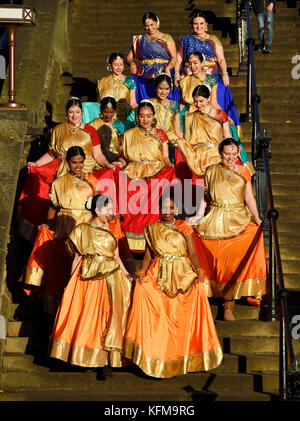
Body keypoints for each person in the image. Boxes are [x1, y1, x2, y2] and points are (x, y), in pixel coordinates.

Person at [123, 192, 223, 378]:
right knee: (152, 302)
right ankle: (153, 354)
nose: (167, 211)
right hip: (158, 271)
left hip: (182, 274)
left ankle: (183, 354)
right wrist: (142, 271)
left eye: (170, 208)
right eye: (163, 208)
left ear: (176, 209)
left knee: (181, 313)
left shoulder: (184, 227)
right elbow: (148, 255)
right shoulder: (151, 228)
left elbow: (192, 252)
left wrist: (199, 271)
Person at [49, 194, 133, 377]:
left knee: (109, 318)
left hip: (111, 277)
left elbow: (116, 256)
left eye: (111, 209)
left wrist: (127, 274)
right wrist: (70, 282)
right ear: (96, 210)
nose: (110, 213)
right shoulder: (82, 230)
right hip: (89, 276)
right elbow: (77, 257)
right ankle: (82, 356)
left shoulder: (112, 231)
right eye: (107, 209)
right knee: (88, 317)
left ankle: (106, 362)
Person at [18, 97, 114, 243]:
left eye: (77, 112)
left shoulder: (90, 131)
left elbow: (98, 154)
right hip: (63, 172)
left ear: (82, 113)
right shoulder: (58, 130)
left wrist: (107, 164)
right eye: (71, 112)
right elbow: (51, 154)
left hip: (86, 171)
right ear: (66, 113)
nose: (74, 116)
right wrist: (36, 164)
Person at [193, 138, 267, 321]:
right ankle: (208, 293)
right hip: (215, 218)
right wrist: (197, 217)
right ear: (220, 153)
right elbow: (205, 199)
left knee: (236, 257)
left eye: (234, 154)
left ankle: (229, 304)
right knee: (208, 250)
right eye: (227, 154)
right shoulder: (211, 171)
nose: (231, 157)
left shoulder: (243, 171)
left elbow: (249, 197)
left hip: (238, 219)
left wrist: (256, 217)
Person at [20, 146, 99, 315]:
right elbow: (53, 208)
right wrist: (48, 224)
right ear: (67, 162)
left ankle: (77, 312)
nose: (78, 165)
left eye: (80, 162)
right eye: (74, 162)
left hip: (84, 227)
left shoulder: (93, 181)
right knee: (60, 270)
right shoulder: (58, 183)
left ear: (85, 162)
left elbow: (97, 208)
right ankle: (55, 313)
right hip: (63, 227)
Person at [117, 100, 175, 251]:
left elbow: (165, 157)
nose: (145, 119)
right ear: (137, 117)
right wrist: (119, 165)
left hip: (155, 172)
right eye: (142, 116)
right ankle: (129, 243)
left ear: (153, 116)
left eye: (148, 116)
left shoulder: (160, 134)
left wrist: (169, 165)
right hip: (133, 173)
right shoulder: (128, 135)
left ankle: (153, 241)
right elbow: (124, 158)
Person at [175, 10, 241, 134]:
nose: (198, 26)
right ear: (192, 25)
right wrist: (176, 74)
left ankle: (221, 129)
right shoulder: (186, 40)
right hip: (190, 75)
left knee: (220, 90)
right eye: (195, 24)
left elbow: (221, 59)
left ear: (206, 25)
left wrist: (225, 73)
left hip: (211, 76)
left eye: (201, 23)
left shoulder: (213, 39)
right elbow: (178, 60)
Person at [126, 12, 180, 103]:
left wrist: (168, 68)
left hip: (162, 73)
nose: (150, 28)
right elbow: (129, 57)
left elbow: (174, 57)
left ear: (157, 23)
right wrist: (131, 63)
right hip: (144, 74)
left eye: (152, 25)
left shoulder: (166, 38)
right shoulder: (140, 39)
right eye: (147, 26)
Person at [95, 53, 137, 123]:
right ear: (110, 65)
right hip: (106, 115)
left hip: (123, 115)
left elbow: (132, 103)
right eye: (116, 65)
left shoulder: (129, 81)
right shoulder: (102, 82)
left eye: (121, 65)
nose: (119, 68)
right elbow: (99, 103)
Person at [89, 96, 127, 168]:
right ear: (101, 110)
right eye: (105, 112)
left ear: (115, 111)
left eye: (111, 112)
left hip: (115, 157)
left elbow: (122, 145)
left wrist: (121, 160)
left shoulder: (119, 124)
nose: (108, 115)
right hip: (98, 157)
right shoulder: (94, 123)